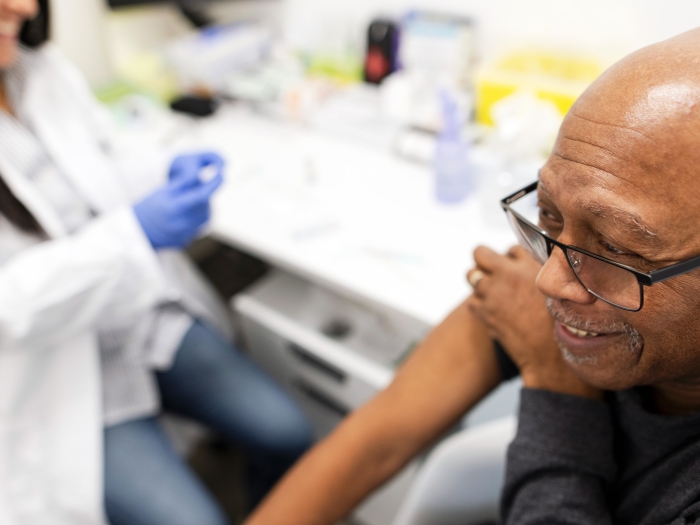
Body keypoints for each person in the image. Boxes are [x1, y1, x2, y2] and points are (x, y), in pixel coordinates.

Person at [247, 27, 700, 525]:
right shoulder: (568, 279)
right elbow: (377, 441)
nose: (548, 280)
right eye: (547, 214)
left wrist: (555, 385)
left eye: (615, 245)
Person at [0, 1, 311, 524]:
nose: (24, 6)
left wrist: (164, 172)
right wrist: (133, 233)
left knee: (289, 435)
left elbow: (105, 159)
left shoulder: (41, 70)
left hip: (135, 321)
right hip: (53, 381)